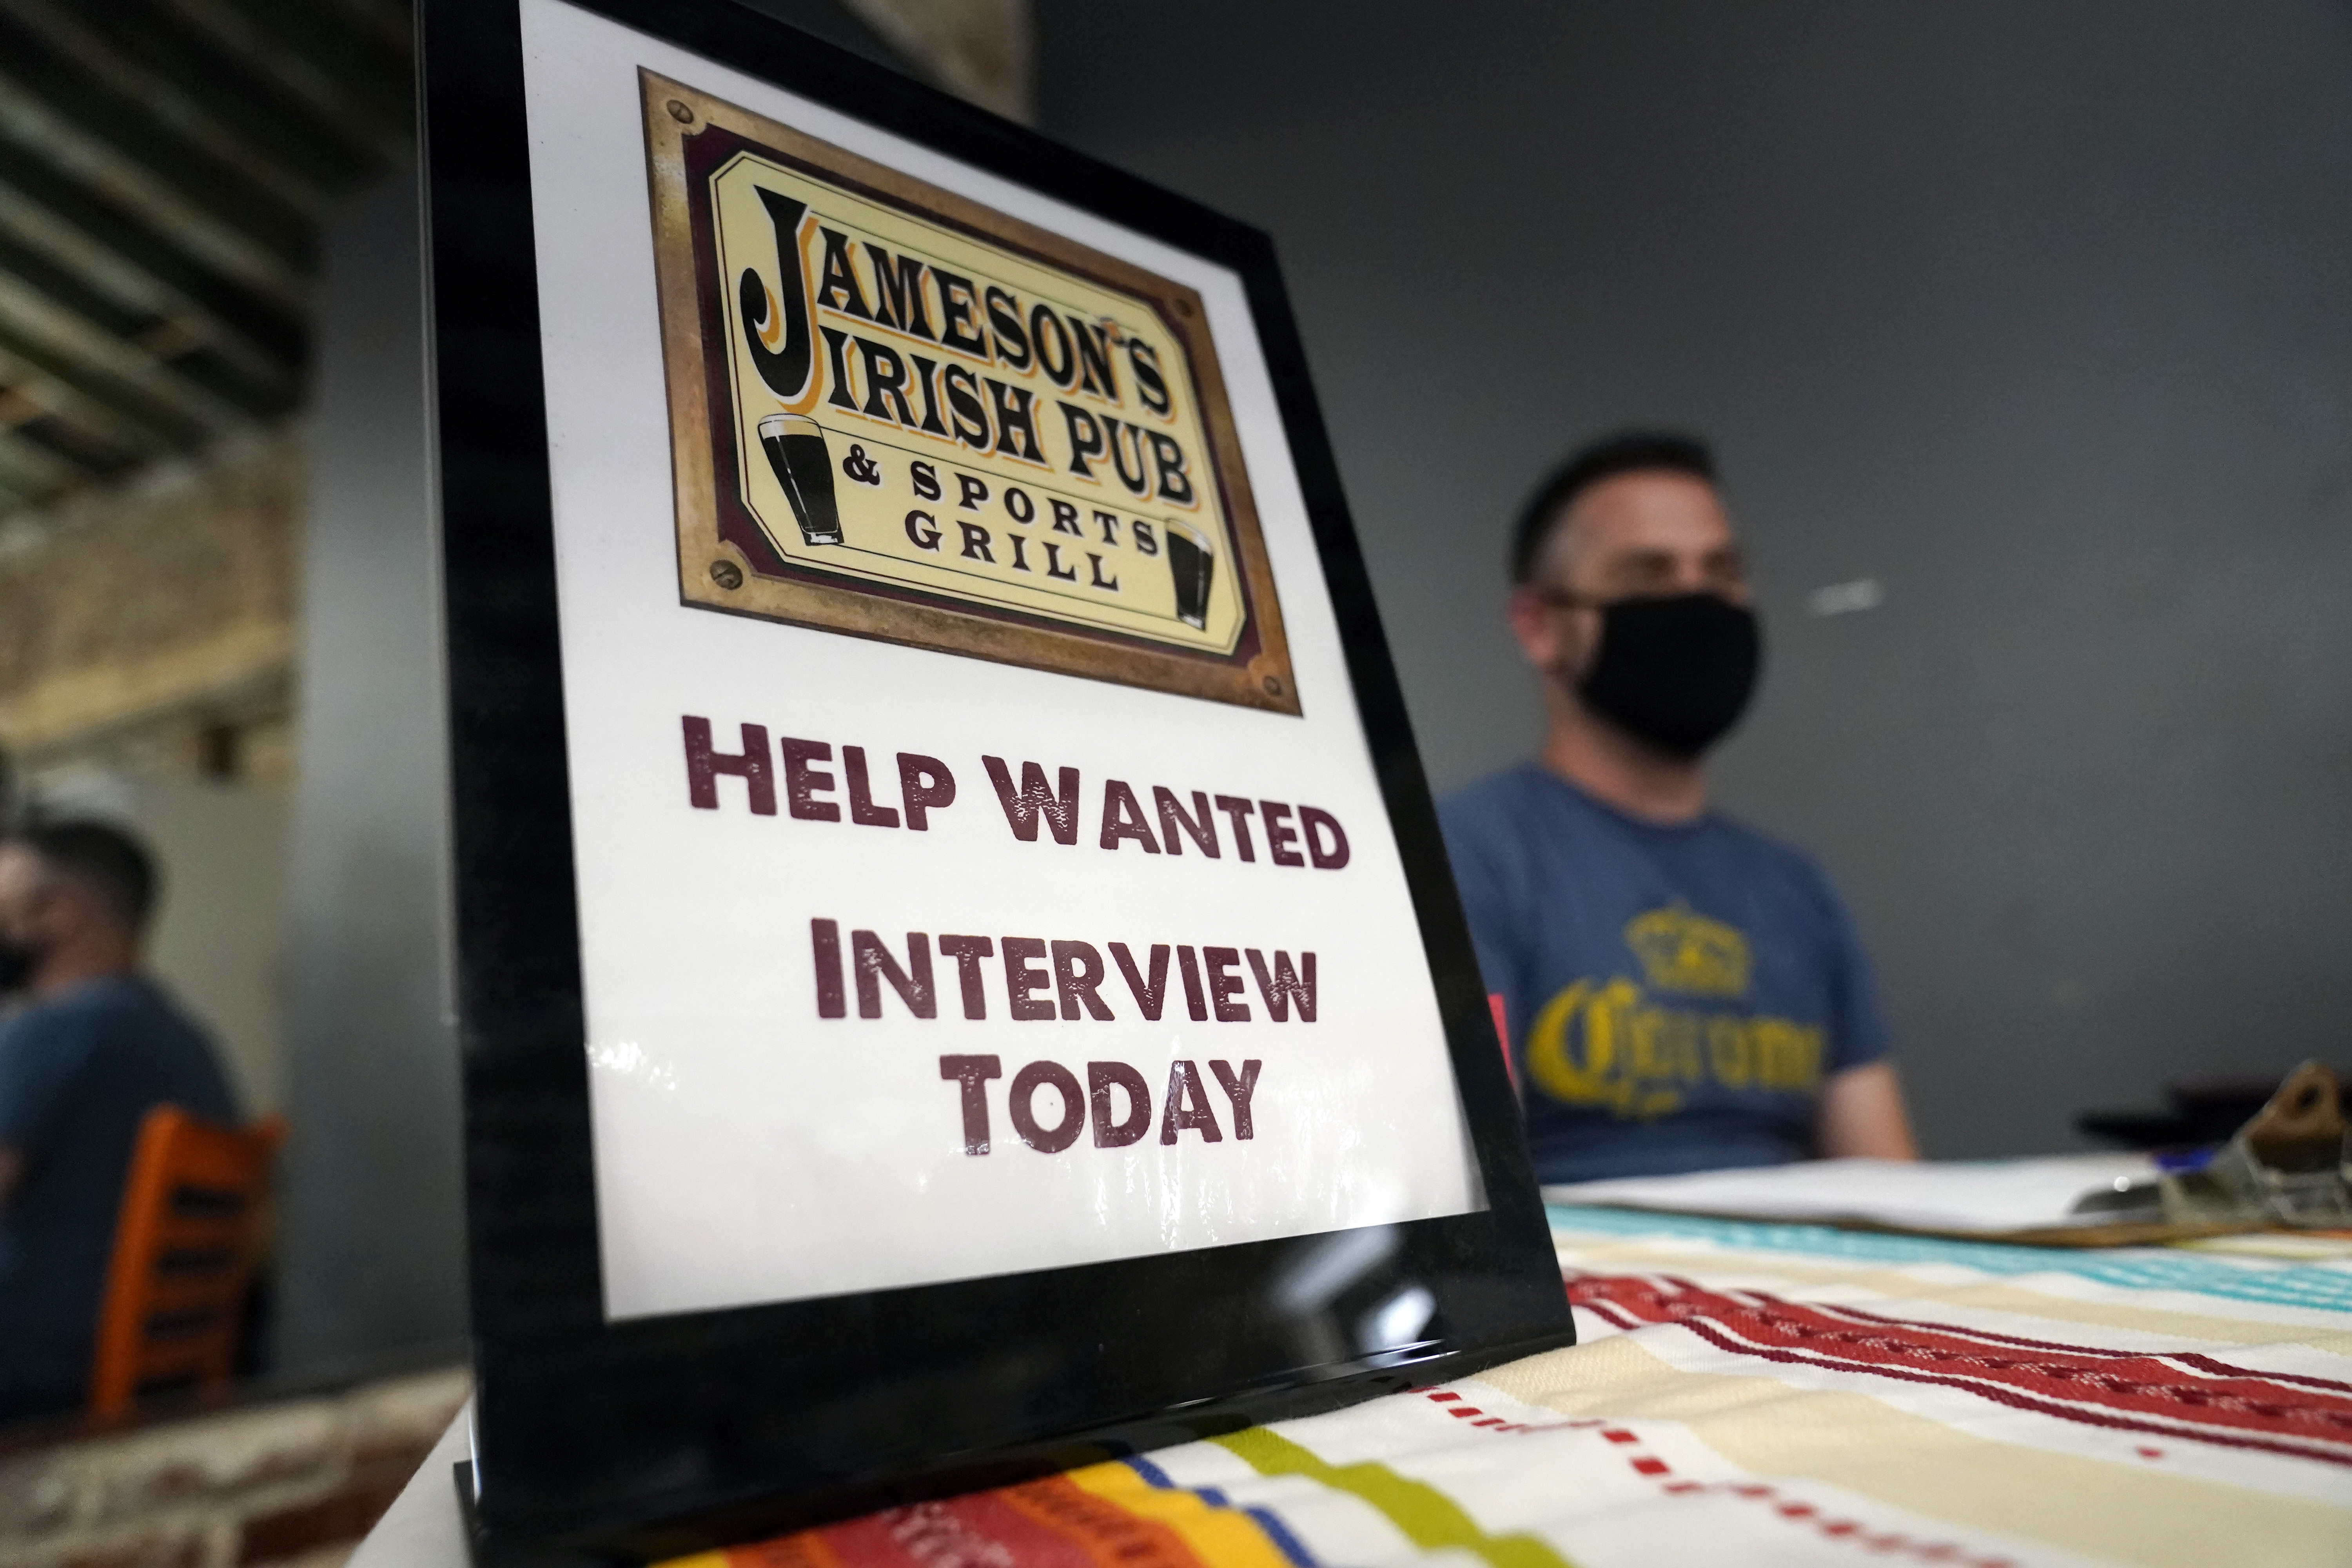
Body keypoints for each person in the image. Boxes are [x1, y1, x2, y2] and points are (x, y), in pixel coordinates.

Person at [1440, 431, 1916, 1184]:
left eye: (1722, 572)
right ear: (1540, 627)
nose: (1697, 600)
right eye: (1649, 575)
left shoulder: (1796, 887)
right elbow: (1475, 1182)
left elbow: (1889, 1176)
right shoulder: (1463, 858)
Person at [0, 819, 236, 1422]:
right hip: (155, 1376)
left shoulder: (57, 1029)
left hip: (36, 1373)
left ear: (59, 913)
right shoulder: (186, 1040)